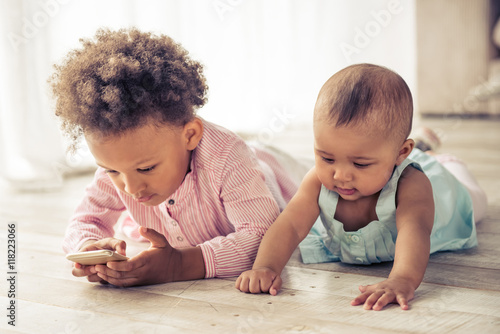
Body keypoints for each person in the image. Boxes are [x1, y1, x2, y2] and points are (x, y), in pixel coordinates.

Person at [52, 28, 304, 287]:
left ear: (190, 135)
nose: (130, 188)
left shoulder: (228, 157)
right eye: (111, 171)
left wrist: (179, 265)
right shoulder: (122, 163)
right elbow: (86, 220)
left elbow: (263, 238)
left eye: (147, 168)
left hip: (269, 169)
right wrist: (90, 249)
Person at [235, 63, 487, 311]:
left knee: (475, 199)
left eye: (360, 164)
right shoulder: (317, 181)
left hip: (444, 192)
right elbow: (289, 224)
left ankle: (430, 153)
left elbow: (415, 229)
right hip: (394, 158)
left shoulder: (412, 184)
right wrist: (265, 267)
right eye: (327, 158)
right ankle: (422, 144)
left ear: (401, 152)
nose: (341, 175)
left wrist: (402, 278)